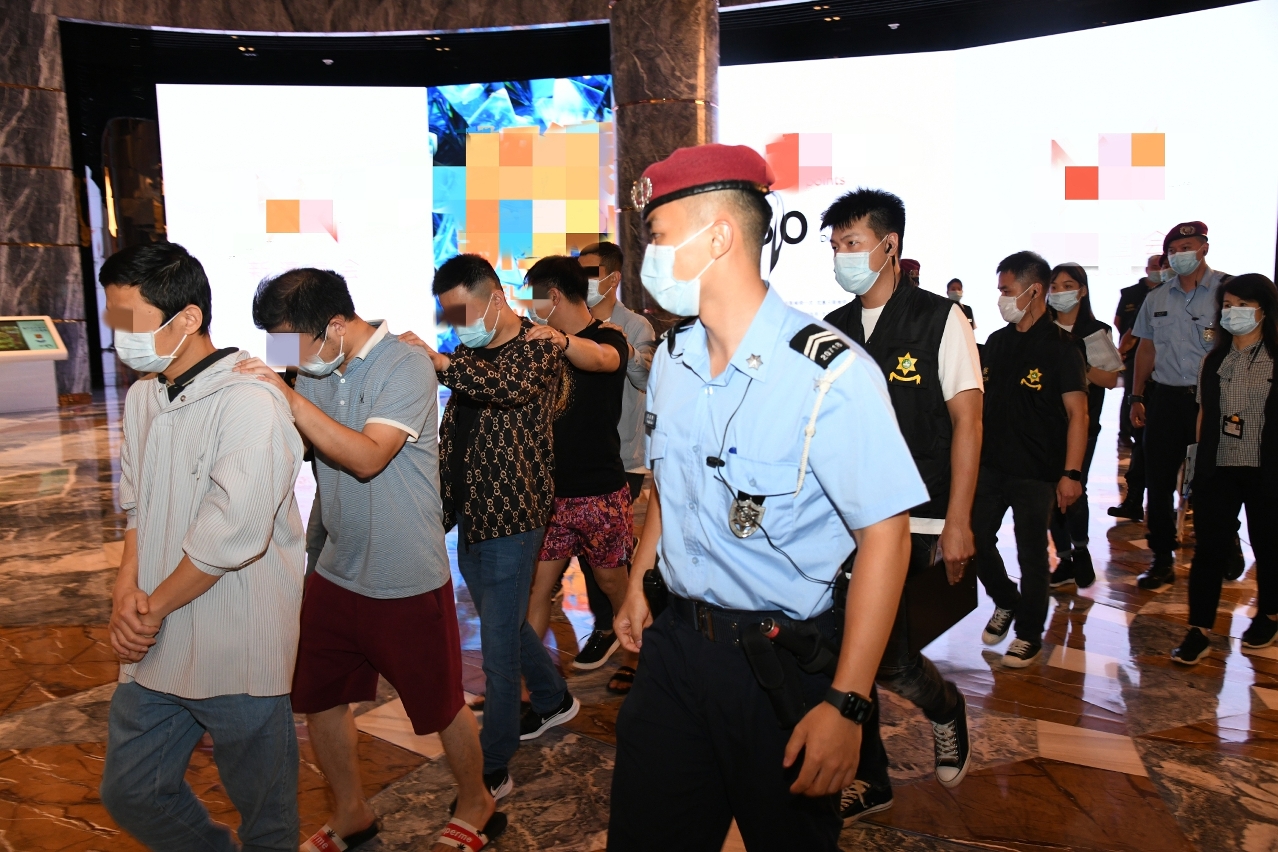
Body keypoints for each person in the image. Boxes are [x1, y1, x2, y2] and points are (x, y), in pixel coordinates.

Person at [608, 143, 927, 851]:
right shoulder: (673, 359)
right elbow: (670, 485)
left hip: (779, 664)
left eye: (658, 236)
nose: (648, 258)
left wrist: (848, 703)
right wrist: (639, 580)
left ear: (718, 236)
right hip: (675, 650)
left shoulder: (830, 376)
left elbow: (886, 536)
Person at [237, 268, 503, 852]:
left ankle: (477, 801)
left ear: (335, 325)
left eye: (290, 344)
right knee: (319, 698)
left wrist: (287, 396)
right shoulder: (313, 367)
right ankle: (351, 811)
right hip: (337, 567)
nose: (287, 359)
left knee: (439, 704)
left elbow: (366, 457)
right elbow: (300, 445)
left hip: (405, 573)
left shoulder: (404, 365)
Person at [99, 242, 306, 852]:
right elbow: (138, 506)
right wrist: (126, 590)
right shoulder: (144, 396)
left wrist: (150, 610)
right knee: (132, 791)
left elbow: (233, 532)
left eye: (131, 320)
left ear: (187, 317)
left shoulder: (250, 399)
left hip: (236, 638)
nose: (120, 337)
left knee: (266, 817)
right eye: (114, 319)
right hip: (156, 634)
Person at [821, 188, 982, 821]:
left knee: (885, 655)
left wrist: (959, 520)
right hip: (846, 519)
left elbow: (968, 421)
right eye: (836, 245)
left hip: (918, 514)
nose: (842, 256)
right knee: (844, 646)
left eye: (852, 244)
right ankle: (870, 777)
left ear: (890, 246)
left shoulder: (941, 319)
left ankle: (945, 706)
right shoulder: (832, 327)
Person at [407, 254, 579, 804]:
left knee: (498, 647)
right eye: (450, 316)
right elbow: (457, 429)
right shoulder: (470, 352)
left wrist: (439, 362)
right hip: (472, 513)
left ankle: (494, 762)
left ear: (496, 298)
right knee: (502, 622)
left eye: (464, 313)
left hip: (515, 515)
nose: (459, 326)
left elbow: (506, 388)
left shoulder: (538, 346)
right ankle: (553, 698)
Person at [520, 256, 638, 694]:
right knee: (537, 590)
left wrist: (562, 340)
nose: (531, 307)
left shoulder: (609, 336)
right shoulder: (537, 340)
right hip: (550, 494)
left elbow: (603, 361)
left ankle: (636, 660)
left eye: (535, 297)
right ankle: (533, 688)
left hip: (599, 490)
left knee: (613, 584)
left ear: (553, 295)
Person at [973, 251, 1087, 667]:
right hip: (991, 466)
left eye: (1007, 290)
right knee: (974, 538)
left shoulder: (1062, 348)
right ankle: (1007, 599)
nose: (1002, 299)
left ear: (1033, 291)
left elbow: (1078, 415)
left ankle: (1028, 634)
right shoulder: (997, 343)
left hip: (1037, 472)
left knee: (1032, 554)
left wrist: (1071, 473)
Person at [1172, 273, 1278, 664]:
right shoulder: (1214, 359)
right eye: (1228, 305)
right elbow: (1204, 416)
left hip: (1267, 469)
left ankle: (1269, 615)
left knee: (1268, 545)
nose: (1233, 312)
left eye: (1243, 305)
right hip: (1219, 468)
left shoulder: (1275, 357)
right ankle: (1198, 628)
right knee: (1209, 550)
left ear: (1264, 310)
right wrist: (1193, 468)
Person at [570, 241, 657, 675]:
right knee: (593, 552)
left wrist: (623, 346)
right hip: (583, 455)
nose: (582, 281)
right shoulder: (571, 323)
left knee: (610, 556)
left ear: (612, 277)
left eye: (590, 272)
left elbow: (645, 378)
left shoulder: (636, 325)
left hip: (623, 455)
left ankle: (632, 647)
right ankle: (610, 626)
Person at [1129, 222, 1225, 590]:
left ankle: (1225, 543)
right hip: (1167, 398)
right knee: (1158, 481)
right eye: (1173, 250)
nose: (1180, 254)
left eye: (1187, 247)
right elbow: (1146, 348)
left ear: (1204, 248)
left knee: (1216, 479)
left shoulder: (1227, 291)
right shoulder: (1156, 298)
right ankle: (1161, 557)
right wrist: (1136, 396)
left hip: (1211, 399)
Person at [1045, 264, 1122, 590]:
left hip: (1082, 425)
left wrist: (1076, 362)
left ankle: (1081, 550)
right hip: (1044, 426)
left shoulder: (1096, 331)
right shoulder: (1041, 328)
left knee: (1074, 488)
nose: (1060, 292)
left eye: (1068, 285)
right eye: (1054, 286)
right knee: (1048, 492)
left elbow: (1110, 379)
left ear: (1082, 290)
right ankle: (1063, 557)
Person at [1109, 254, 1166, 519]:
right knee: (1142, 444)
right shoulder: (1151, 297)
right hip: (1151, 379)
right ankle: (1133, 501)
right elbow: (1133, 333)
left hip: (1185, 387)